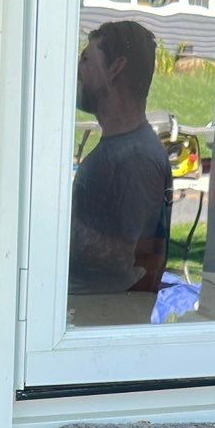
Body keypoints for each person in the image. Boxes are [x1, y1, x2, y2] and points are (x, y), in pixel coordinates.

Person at [67, 19, 177, 316]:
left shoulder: (136, 159)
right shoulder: (122, 149)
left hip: (100, 334)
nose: (77, 69)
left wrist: (57, 224)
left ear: (116, 68)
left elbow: (130, 260)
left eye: (86, 59)